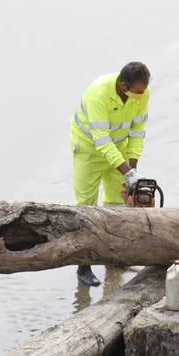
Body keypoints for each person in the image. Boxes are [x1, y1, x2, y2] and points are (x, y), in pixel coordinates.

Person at [70, 61, 151, 287]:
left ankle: (114, 257)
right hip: (89, 149)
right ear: (123, 87)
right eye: (138, 92)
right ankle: (83, 265)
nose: (142, 95)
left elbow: (137, 133)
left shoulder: (142, 92)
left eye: (144, 91)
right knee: (85, 205)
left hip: (119, 150)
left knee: (117, 203)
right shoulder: (98, 94)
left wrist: (131, 172)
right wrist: (127, 171)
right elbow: (102, 141)